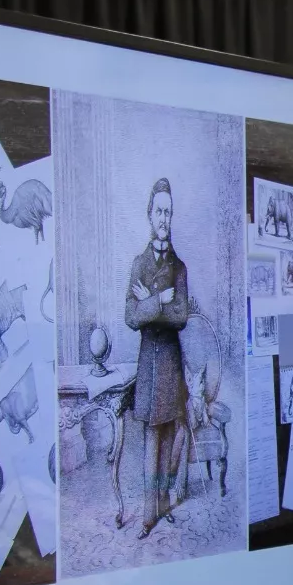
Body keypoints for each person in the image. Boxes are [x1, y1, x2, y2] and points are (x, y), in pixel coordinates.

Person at [125, 177, 191, 539]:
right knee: (152, 434)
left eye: (169, 211)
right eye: (159, 211)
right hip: (149, 364)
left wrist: (150, 301)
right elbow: (130, 317)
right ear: (149, 215)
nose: (164, 217)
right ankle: (148, 513)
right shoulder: (137, 264)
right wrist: (159, 301)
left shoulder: (180, 268)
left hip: (170, 361)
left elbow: (181, 317)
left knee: (171, 433)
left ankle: (163, 503)